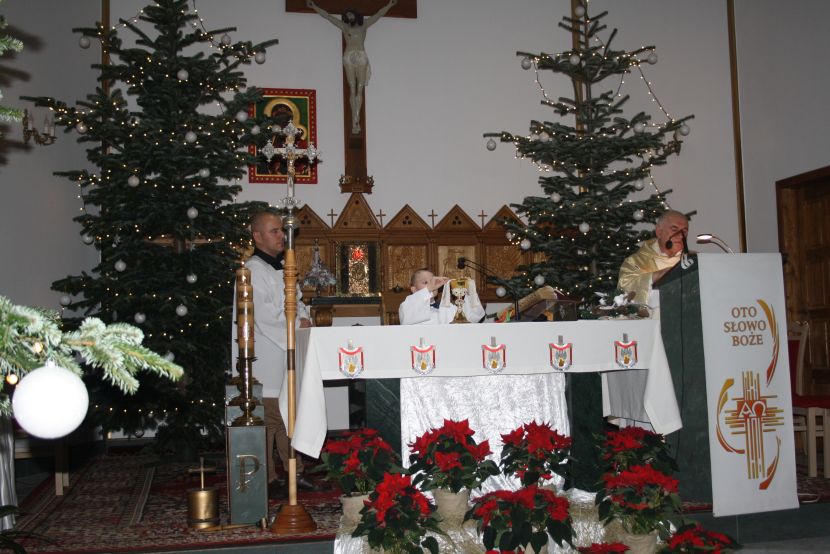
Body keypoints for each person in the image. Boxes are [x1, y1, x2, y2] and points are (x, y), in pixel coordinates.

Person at [246, 210, 318, 494]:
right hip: (268, 353)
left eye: (281, 230)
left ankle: (292, 472)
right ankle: (267, 477)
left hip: (287, 349)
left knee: (289, 414)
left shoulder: (282, 266)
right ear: (257, 236)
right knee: (272, 418)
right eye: (274, 231)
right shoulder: (253, 270)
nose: (281, 236)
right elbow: (262, 315)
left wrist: (304, 318)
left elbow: (296, 299)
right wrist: (294, 327)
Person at [307, 0, 398, 135]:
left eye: (350, 14)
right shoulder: (344, 27)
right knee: (352, 88)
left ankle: (356, 119)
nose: (349, 17)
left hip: (361, 56)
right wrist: (314, 6)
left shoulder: (364, 25)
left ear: (356, 15)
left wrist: (389, 5)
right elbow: (328, 16)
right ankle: (354, 120)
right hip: (349, 56)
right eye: (347, 16)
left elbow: (378, 15)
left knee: (359, 88)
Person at [617, 209, 689, 312]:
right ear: (659, 232)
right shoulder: (635, 261)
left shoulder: (694, 260)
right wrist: (656, 276)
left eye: (684, 231)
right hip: (651, 319)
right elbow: (624, 288)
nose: (681, 236)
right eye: (674, 229)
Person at [398, 268, 485, 325]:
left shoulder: (447, 307)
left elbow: (473, 318)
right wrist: (429, 288)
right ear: (414, 289)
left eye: (433, 281)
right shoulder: (407, 306)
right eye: (425, 282)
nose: (432, 285)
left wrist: (470, 291)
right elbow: (406, 317)